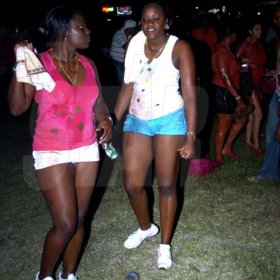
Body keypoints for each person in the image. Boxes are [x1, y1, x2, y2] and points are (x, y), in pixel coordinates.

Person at [8, 6, 113, 280]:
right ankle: (44, 276)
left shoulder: (88, 64)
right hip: (51, 149)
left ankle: (69, 275)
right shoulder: (39, 62)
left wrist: (106, 119)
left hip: (87, 147)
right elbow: (18, 107)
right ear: (64, 32)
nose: (88, 31)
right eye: (82, 27)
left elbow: (99, 101)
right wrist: (21, 61)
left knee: (79, 219)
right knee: (65, 223)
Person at [113, 1, 196, 270]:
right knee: (132, 184)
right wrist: (113, 119)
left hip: (170, 120)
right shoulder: (136, 46)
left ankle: (164, 245)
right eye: (146, 19)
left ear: (166, 21)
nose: (150, 24)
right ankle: (146, 228)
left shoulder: (179, 48)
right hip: (137, 120)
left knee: (166, 185)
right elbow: (128, 86)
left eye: (156, 19)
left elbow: (191, 94)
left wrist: (190, 135)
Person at [211, 22, 249, 162]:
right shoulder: (221, 50)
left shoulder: (227, 49)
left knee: (242, 119)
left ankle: (226, 148)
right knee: (224, 124)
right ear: (230, 35)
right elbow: (224, 76)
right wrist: (238, 98)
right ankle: (218, 158)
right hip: (223, 92)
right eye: (235, 33)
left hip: (230, 91)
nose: (237, 35)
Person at [236, 19, 267, 156]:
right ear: (250, 31)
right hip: (250, 82)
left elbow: (260, 62)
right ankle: (256, 145)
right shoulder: (246, 44)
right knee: (259, 112)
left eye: (260, 29)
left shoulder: (259, 44)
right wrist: (246, 63)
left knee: (253, 112)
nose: (260, 31)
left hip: (258, 80)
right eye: (256, 29)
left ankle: (248, 140)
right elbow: (236, 60)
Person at [110, 19, 137, 85]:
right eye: (133, 29)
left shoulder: (129, 34)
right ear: (129, 29)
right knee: (121, 78)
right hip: (118, 60)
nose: (135, 30)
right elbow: (126, 47)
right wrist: (134, 37)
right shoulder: (119, 35)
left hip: (124, 59)